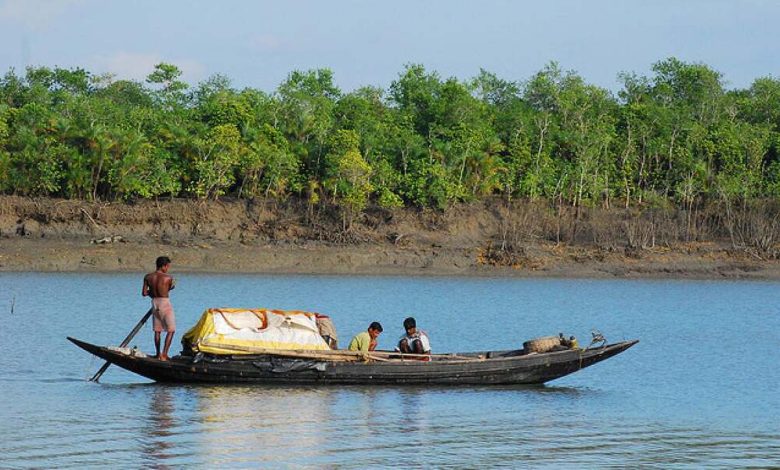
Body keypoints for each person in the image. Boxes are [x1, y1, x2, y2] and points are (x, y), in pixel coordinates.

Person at [142, 256, 176, 361]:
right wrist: (172, 286)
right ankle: (164, 355)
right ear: (164, 266)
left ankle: (157, 354)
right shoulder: (168, 278)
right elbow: (168, 289)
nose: (168, 269)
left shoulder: (148, 277)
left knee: (157, 331)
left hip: (155, 303)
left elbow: (144, 293)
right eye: (167, 266)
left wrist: (152, 293)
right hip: (165, 303)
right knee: (171, 330)